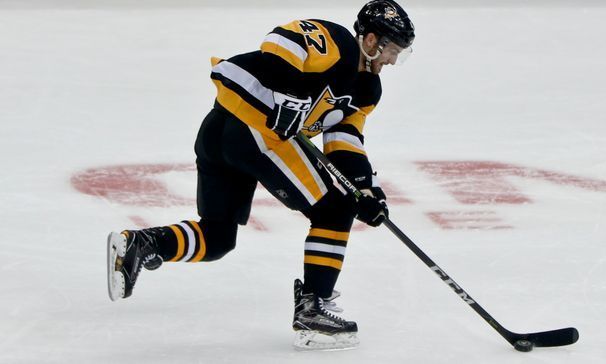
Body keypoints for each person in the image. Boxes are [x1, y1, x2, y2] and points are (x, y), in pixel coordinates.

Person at [107, 0, 415, 351]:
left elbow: (345, 140)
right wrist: (292, 95)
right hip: (251, 131)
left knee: (218, 238)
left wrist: (365, 189)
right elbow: (280, 42)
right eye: (392, 50)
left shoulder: (367, 92)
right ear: (371, 41)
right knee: (334, 209)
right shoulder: (339, 42)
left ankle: (141, 244)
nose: (392, 61)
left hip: (227, 133)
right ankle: (314, 307)